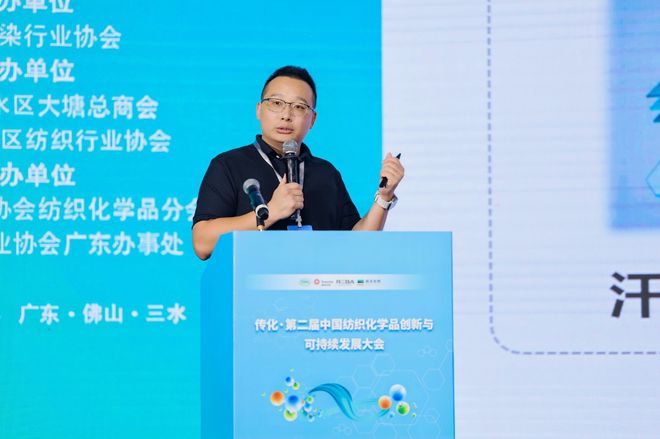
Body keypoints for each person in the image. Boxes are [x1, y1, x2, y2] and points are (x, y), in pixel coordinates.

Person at [192, 66, 404, 260]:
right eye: (276, 103)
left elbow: (357, 246)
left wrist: (384, 198)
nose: (286, 115)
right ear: (259, 110)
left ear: (312, 120)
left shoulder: (326, 173)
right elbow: (202, 243)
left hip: (318, 287)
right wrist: (272, 211)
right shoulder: (229, 165)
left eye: (299, 107)